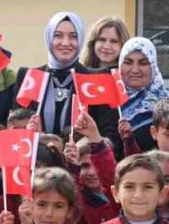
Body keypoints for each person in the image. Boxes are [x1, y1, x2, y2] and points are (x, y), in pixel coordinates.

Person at [15, 12, 120, 153]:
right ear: (49, 37)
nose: (65, 43)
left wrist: (80, 148)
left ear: (81, 39)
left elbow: (111, 138)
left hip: (82, 163)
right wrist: (35, 137)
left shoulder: (98, 78)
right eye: (58, 35)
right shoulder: (29, 77)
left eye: (73, 36)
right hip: (38, 162)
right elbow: (14, 128)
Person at [117, 38, 169, 154]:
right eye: (128, 62)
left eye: (143, 63)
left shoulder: (168, 107)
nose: (135, 70)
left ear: (153, 66)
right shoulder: (109, 103)